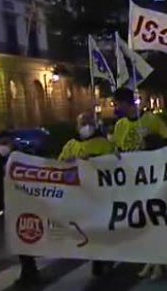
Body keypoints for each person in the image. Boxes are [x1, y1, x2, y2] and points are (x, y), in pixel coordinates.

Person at [111, 88, 167, 280]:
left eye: (117, 103)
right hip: (132, 180)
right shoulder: (120, 125)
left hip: (151, 178)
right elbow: (119, 150)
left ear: (126, 103)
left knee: (154, 220)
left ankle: (159, 262)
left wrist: (152, 143)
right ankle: (149, 260)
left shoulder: (151, 120)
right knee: (142, 222)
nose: (115, 107)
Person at [57, 112, 115, 277]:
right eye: (82, 123)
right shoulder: (70, 145)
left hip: (101, 195)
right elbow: (59, 164)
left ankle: (104, 261)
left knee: (102, 229)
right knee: (88, 231)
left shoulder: (104, 144)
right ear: (77, 126)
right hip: (81, 196)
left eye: (89, 122)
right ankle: (97, 260)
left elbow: (113, 164)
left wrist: (95, 159)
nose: (86, 126)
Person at [0, 131, 41, 287]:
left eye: (4, 143)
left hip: (21, 205)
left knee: (23, 240)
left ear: (11, 143)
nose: (1, 147)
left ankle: (30, 273)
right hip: (6, 206)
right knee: (18, 242)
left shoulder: (20, 158)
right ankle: (29, 272)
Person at [111, 88, 167, 152]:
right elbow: (119, 149)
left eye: (116, 104)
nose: (116, 108)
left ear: (124, 102)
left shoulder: (153, 119)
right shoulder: (119, 125)